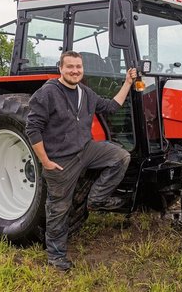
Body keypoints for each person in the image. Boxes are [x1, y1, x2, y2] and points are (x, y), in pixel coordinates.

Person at [25, 50, 137, 271]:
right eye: (70, 67)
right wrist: (45, 161)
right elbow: (32, 128)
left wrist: (127, 83)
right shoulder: (48, 92)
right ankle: (56, 256)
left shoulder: (85, 92)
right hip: (60, 159)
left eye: (78, 67)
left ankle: (96, 199)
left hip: (85, 149)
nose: (75, 71)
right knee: (59, 208)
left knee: (120, 156)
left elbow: (111, 107)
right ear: (61, 68)